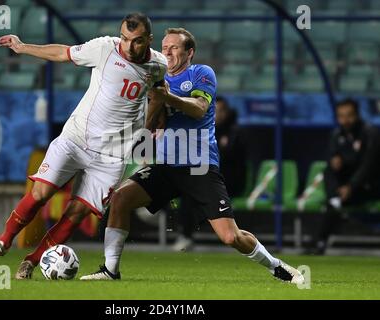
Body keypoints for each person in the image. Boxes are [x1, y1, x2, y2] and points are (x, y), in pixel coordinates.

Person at [80, 28, 305, 284]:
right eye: (165, 47)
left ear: (189, 52)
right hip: (165, 165)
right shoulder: (153, 76)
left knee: (230, 237)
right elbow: (148, 123)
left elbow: (199, 109)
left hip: (199, 166)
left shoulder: (200, 73)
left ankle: (276, 266)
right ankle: (110, 270)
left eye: (175, 47)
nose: (167, 51)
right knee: (120, 199)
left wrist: (167, 98)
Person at [0, 13, 168, 280]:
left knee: (76, 213)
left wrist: (152, 125)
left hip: (112, 155)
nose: (129, 47)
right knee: (40, 193)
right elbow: (63, 53)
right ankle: (3, 242)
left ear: (149, 40)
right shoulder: (104, 49)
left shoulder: (158, 64)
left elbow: (158, 92)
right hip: (76, 139)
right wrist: (23, 47)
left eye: (137, 41)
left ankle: (31, 261)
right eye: (125, 39)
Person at [171, 97, 248, 252]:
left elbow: (233, 161)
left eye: (220, 111)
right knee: (187, 190)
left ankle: (188, 234)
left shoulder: (235, 132)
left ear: (226, 112)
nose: (216, 115)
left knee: (194, 191)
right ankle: (184, 234)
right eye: (214, 111)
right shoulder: (205, 130)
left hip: (230, 182)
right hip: (209, 179)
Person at [311, 98, 380, 254]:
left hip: (369, 186)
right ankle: (334, 199)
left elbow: (368, 166)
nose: (345, 120)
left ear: (357, 115)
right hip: (344, 189)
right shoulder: (337, 135)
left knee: (333, 204)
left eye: (349, 115)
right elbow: (332, 159)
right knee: (328, 170)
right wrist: (336, 161)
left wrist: (350, 186)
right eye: (341, 116)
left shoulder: (370, 133)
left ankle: (319, 241)